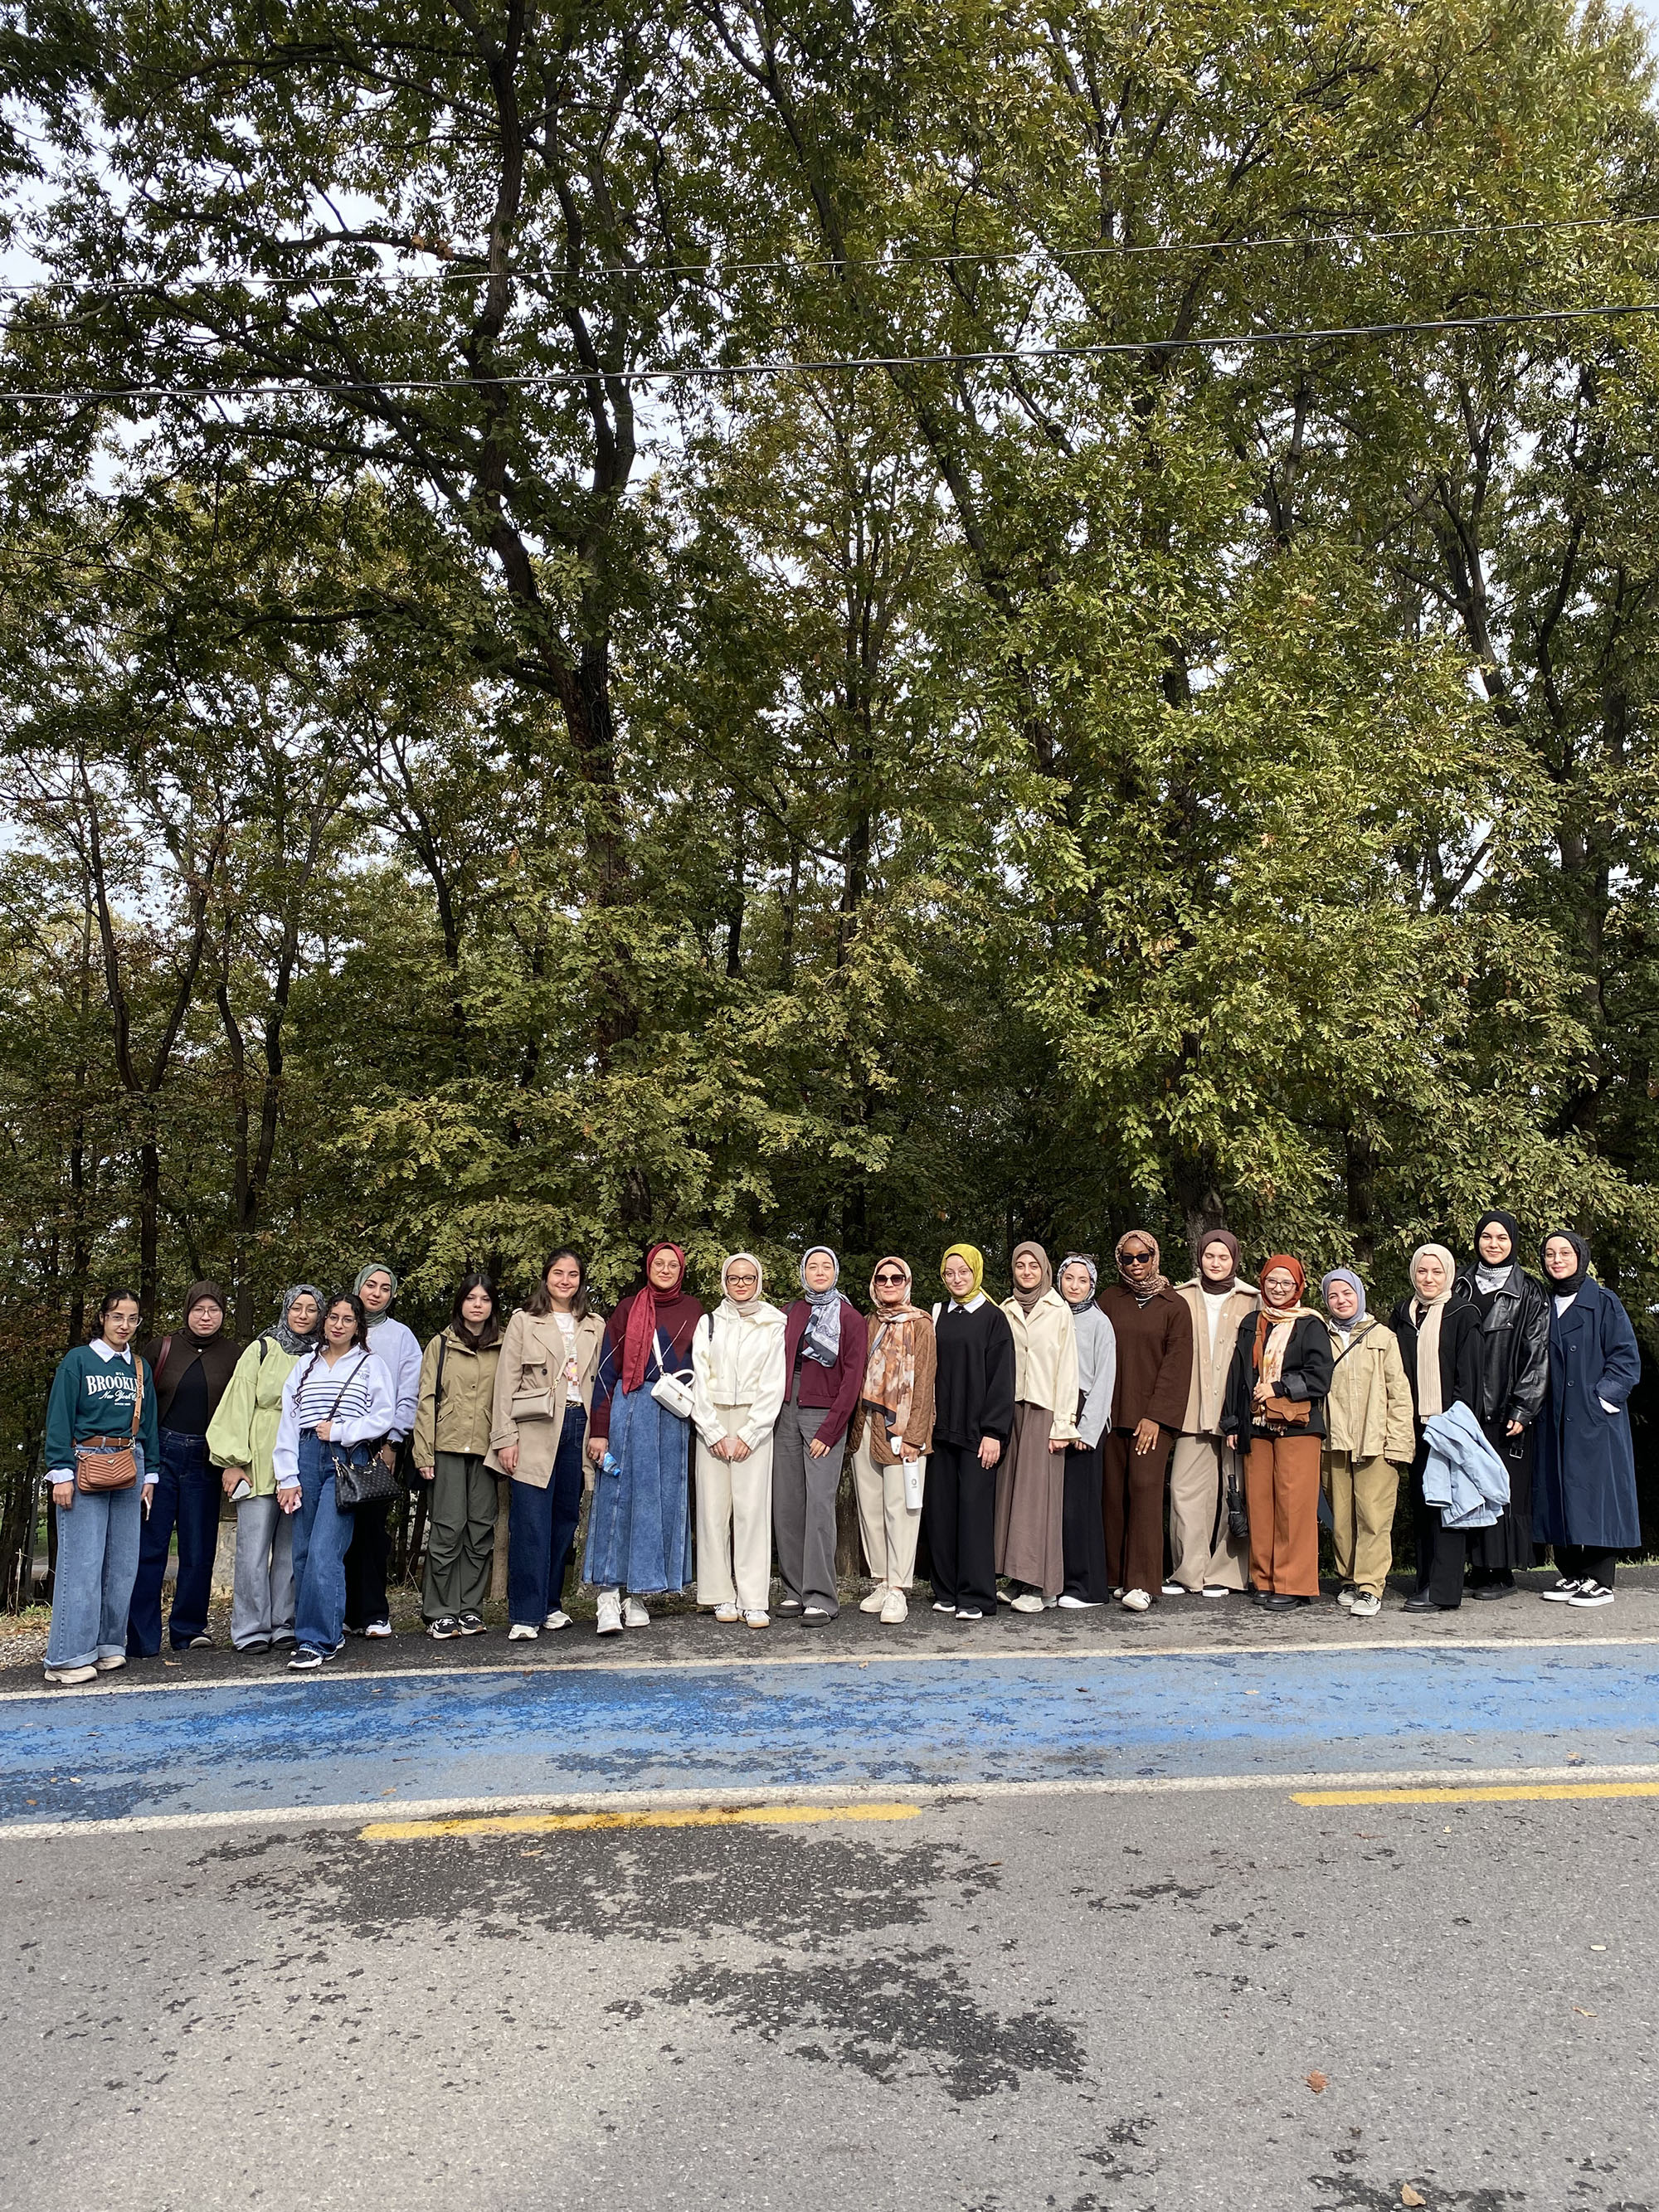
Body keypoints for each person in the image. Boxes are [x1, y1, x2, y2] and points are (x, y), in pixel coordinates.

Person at [40, 1288, 161, 1685]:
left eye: (132, 1318)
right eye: (117, 1317)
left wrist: (151, 1474)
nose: (124, 1325)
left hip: (130, 1462)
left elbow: (149, 1427)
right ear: (103, 1319)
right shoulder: (78, 1361)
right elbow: (59, 1416)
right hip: (84, 1461)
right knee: (83, 1563)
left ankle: (108, 1645)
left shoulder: (139, 1367)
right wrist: (60, 1471)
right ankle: (66, 1656)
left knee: (123, 1562)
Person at [584, 1242, 703, 1635]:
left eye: (673, 1264)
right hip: (629, 1408)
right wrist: (600, 1431)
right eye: (659, 1263)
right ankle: (607, 1597)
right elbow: (606, 1372)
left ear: (681, 1269)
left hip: (671, 1416)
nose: (666, 1269)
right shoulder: (626, 1308)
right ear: (648, 1267)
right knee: (618, 1500)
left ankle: (638, 1594)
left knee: (660, 1503)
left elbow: (704, 1370)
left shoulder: (695, 1311)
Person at [273, 1291, 395, 1670]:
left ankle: (316, 1640)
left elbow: (384, 1416)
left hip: (346, 1458)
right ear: (325, 1322)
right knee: (304, 1551)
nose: (339, 1324)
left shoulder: (370, 1365)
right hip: (306, 1457)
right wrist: (286, 1476)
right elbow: (289, 1424)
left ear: (358, 1327)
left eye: (348, 1319)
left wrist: (342, 1430)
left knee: (327, 1549)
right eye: (334, 1318)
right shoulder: (305, 1364)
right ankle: (326, 1629)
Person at [491, 1250, 604, 1641]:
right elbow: (505, 1382)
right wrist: (505, 1438)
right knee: (529, 1521)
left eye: (573, 1274)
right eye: (558, 1273)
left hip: (579, 1425)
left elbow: (600, 1385)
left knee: (564, 1520)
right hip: (536, 1426)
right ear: (546, 1277)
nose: (565, 1280)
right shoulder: (524, 1320)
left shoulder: (594, 1324)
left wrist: (599, 1433)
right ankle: (525, 1613)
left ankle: (551, 1605)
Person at [126, 1281, 243, 1655]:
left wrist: (235, 1460)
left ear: (223, 1314)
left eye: (213, 1310)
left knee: (198, 1549)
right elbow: (138, 1405)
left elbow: (242, 1410)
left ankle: (189, 1630)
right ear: (187, 1311)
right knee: (151, 1547)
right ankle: (141, 1637)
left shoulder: (235, 1355)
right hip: (161, 1456)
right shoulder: (161, 1348)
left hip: (207, 1460)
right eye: (198, 1310)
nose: (205, 1317)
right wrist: (143, 1459)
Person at [205, 1284, 324, 1651]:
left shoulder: (322, 1355)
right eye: (297, 1308)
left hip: (301, 1461)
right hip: (258, 1459)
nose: (303, 1315)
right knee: (253, 1549)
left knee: (290, 1548)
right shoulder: (261, 1349)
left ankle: (283, 1621)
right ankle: (250, 1627)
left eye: (311, 1310)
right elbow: (238, 1402)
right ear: (286, 1308)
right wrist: (233, 1461)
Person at [1533, 1230, 1642, 1608]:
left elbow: (1626, 1360)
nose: (1557, 1259)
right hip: (1554, 1417)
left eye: (1564, 1252)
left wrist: (1603, 1401)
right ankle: (1573, 1572)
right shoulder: (1543, 1304)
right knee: (1559, 1491)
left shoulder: (1604, 1303)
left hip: (1594, 1419)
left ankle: (1601, 1579)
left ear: (1580, 1256)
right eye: (1549, 1254)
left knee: (1597, 1494)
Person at [1448, 1211, 1550, 1598]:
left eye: (1502, 1238)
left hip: (1506, 1408)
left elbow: (1537, 1353)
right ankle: (1476, 1566)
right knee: (1469, 1487)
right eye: (1487, 1237)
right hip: (1464, 1406)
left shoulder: (1530, 1291)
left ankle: (1500, 1572)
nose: (1493, 1244)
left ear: (1514, 1243)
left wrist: (1523, 1408)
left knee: (1503, 1487)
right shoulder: (1458, 1284)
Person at [1223, 1255, 1333, 1611]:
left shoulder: (1310, 1324)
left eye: (1287, 1282)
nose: (1279, 1288)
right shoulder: (1251, 1322)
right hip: (1256, 1426)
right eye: (1272, 1281)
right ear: (1263, 1283)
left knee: (1294, 1507)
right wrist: (1231, 1423)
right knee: (1261, 1505)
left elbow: (1320, 1376)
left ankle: (1294, 1583)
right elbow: (1238, 1376)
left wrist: (1279, 1387)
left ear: (1298, 1285)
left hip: (1298, 1427)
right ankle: (1264, 1579)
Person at [1097, 1232, 1194, 1612]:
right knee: (1112, 1495)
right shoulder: (1109, 1300)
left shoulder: (1175, 1305)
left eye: (1143, 1256)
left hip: (1153, 1417)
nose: (1136, 1264)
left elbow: (1177, 1366)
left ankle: (1143, 1581)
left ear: (1155, 1256)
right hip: (1111, 1413)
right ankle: (1114, 1577)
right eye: (1127, 1258)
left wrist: (1155, 1417)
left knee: (1145, 1489)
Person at [692, 1253, 787, 1629]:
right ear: (724, 1282)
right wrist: (714, 1431)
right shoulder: (709, 1322)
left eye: (749, 1278)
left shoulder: (773, 1322)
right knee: (714, 1512)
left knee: (752, 1512)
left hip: (754, 1422)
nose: (742, 1284)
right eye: (734, 1278)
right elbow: (699, 1377)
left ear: (759, 1280)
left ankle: (753, 1597)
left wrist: (750, 1433)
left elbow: (773, 1381)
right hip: (713, 1419)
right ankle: (719, 1594)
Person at [775, 1247, 868, 1626]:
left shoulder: (850, 1318)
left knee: (819, 1507)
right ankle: (794, 1590)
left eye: (826, 1265)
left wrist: (831, 1429)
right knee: (787, 1505)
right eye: (812, 1266)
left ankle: (821, 1596)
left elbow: (853, 1379)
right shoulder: (788, 1313)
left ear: (836, 1271)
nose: (819, 1271)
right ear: (803, 1272)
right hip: (785, 1411)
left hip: (824, 1415)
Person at [924, 1244, 1015, 1621]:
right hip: (940, 1431)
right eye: (949, 1273)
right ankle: (946, 1590)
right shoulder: (936, 1314)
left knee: (974, 1515)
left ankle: (977, 1596)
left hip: (978, 1434)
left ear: (976, 1272)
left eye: (963, 1271)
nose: (956, 1278)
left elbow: (1002, 1380)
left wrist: (994, 1432)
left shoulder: (993, 1318)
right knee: (941, 1514)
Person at [1390, 1242, 1482, 1615]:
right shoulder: (1403, 1314)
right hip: (1411, 1425)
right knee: (1424, 1504)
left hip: (1446, 1425)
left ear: (1449, 1274)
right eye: (1422, 1271)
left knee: (1446, 1504)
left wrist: (1453, 1426)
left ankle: (1444, 1590)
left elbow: (1470, 1378)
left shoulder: (1463, 1313)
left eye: (1437, 1272)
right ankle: (1426, 1580)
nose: (1428, 1279)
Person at [413, 1272, 504, 1639]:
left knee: (480, 1530)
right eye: (471, 1298)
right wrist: (424, 1452)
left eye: (484, 1298)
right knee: (448, 1529)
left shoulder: (504, 1344)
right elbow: (426, 1399)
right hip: (446, 1446)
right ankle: (441, 1610)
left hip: (487, 1448)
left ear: (492, 1305)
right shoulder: (441, 1343)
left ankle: (469, 1608)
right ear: (460, 1303)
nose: (477, 1304)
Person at [1319, 1268, 1413, 1618]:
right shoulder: (1319, 1335)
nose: (1341, 1300)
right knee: (1341, 1518)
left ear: (1359, 1294)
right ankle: (1348, 1580)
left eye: (1347, 1293)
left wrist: (1399, 1444)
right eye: (1333, 1295)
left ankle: (1371, 1587)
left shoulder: (1383, 1337)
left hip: (1376, 1442)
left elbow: (1399, 1394)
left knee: (1374, 1517)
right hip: (1333, 1442)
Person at [849, 1257, 937, 1625]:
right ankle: (882, 1581)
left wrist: (915, 1435)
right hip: (866, 1424)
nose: (889, 1283)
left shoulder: (921, 1325)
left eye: (896, 1277)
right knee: (870, 1509)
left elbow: (925, 1383)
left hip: (901, 1430)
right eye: (882, 1278)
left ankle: (899, 1588)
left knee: (901, 1510)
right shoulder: (867, 1322)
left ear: (907, 1282)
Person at [1170, 1232, 1258, 1596]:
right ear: (1200, 1257)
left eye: (1224, 1256)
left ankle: (1224, 1574)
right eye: (1210, 1255)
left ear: (1234, 1259)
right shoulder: (1180, 1296)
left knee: (1233, 1489)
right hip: (1191, 1406)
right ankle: (1188, 1571)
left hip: (1234, 1408)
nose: (1216, 1262)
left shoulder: (1253, 1299)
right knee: (1184, 1488)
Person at [995, 1242, 1078, 1612]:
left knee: (1038, 1499)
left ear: (1045, 1269)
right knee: (1011, 1497)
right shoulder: (1006, 1309)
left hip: (1045, 1410)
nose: (1027, 1272)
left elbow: (1068, 1368)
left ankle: (1041, 1585)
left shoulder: (1059, 1310)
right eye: (1020, 1266)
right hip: (1012, 1409)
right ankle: (1015, 1576)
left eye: (1033, 1266)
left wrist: (1064, 1423)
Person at [344, 1261, 421, 1639]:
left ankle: (373, 1613)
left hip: (380, 1443)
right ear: (358, 1286)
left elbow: (409, 1392)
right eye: (370, 1285)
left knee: (372, 1531)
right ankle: (340, 1612)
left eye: (384, 1288)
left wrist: (394, 1441)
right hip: (338, 1441)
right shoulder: (338, 1325)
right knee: (337, 1531)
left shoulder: (401, 1336)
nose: (376, 1293)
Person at [1056, 1255, 1116, 1607]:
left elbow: (1105, 1379)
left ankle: (1088, 1587)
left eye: (1082, 1280)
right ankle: (1057, 1580)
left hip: (1083, 1416)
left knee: (1082, 1506)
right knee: (1056, 1506)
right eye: (1069, 1278)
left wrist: (1087, 1430)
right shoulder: (1053, 1316)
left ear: (1092, 1285)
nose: (1075, 1285)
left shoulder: (1099, 1323)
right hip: (1055, 1413)